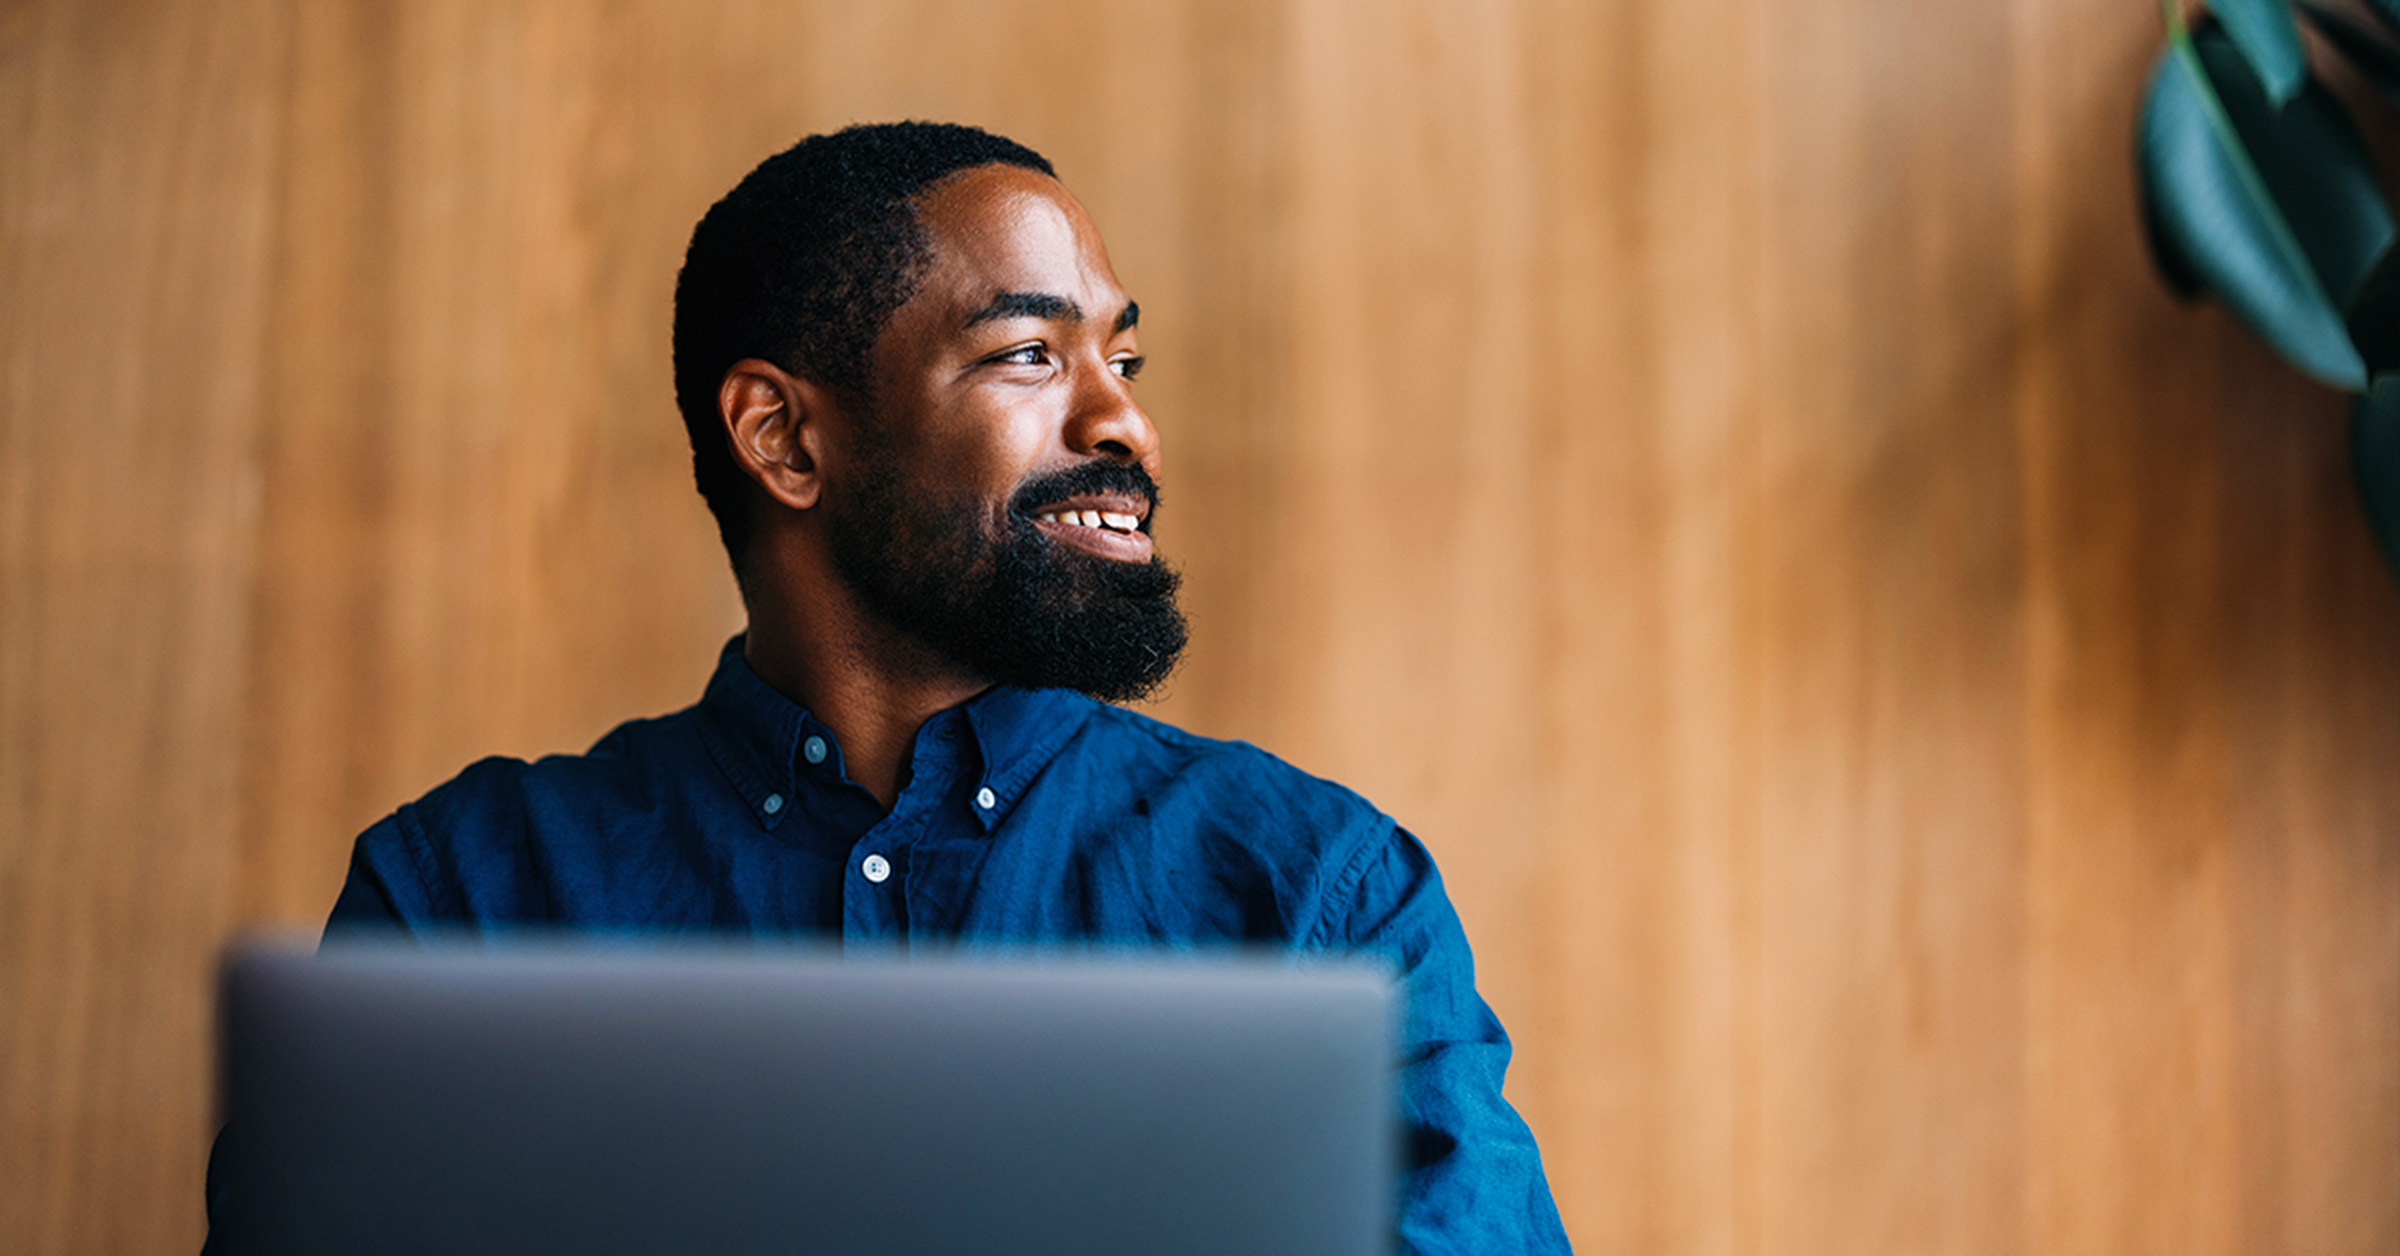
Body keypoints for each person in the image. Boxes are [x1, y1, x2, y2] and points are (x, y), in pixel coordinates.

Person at [298, 122, 1570, 1253]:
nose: (1124, 422)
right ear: (785, 439)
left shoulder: (1315, 900)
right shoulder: (462, 906)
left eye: (1124, 359)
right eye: (1029, 352)